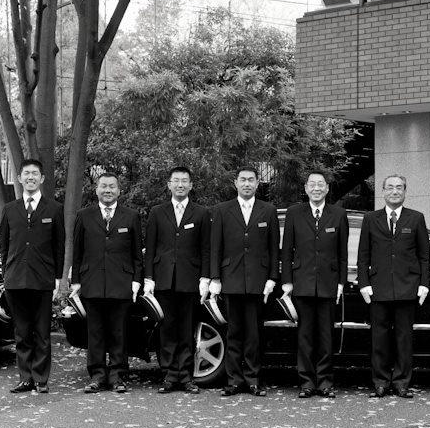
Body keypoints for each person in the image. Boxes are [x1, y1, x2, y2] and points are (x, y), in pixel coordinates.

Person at [357, 175, 430, 399]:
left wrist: (424, 284)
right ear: (383, 191)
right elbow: (363, 255)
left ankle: (401, 382)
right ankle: (380, 382)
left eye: (399, 187)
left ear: (405, 191)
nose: (394, 191)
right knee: (379, 338)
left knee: (403, 339)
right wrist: (364, 284)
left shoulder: (416, 218)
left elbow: (424, 256)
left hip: (407, 288)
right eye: (390, 187)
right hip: (378, 288)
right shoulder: (371, 218)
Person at [209, 167, 279, 397]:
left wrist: (272, 278)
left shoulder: (268, 210)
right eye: (243, 180)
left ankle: (252, 379)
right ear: (235, 183)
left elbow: (273, 248)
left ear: (257, 183)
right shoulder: (221, 210)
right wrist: (215, 277)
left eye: (251, 180)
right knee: (233, 333)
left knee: (254, 334)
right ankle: (233, 380)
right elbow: (215, 246)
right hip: (231, 279)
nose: (247, 184)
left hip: (258, 281)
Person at [71, 172, 143, 394]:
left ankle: (117, 376)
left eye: (112, 186)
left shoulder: (131, 216)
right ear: (97, 190)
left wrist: (136, 281)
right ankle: (97, 376)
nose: (108, 190)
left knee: (119, 332)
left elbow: (136, 254)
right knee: (95, 333)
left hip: (121, 283)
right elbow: (77, 251)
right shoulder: (84, 216)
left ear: (119, 190)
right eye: (104, 186)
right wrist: (76, 282)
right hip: (91, 282)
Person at [281, 170, 349, 399]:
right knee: (305, 337)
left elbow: (342, 253)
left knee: (326, 337)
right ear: (306, 188)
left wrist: (341, 282)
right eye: (312, 184)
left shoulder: (338, 214)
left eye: (321, 184)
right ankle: (307, 383)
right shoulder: (294, 213)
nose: (316, 188)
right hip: (302, 284)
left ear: (327, 189)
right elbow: (286, 250)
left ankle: (325, 382)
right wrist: (287, 281)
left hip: (329, 285)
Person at [0, 159, 64, 394]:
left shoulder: (54, 209)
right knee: (22, 333)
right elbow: (4, 246)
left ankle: (41, 379)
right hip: (15, 279)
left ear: (42, 178)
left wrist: (58, 278)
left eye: (35, 173)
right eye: (26, 173)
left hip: (43, 279)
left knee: (42, 332)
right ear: (19, 178)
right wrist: (6, 274)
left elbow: (59, 246)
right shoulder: (9, 209)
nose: (30, 177)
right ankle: (25, 378)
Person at [144, 167, 211, 395]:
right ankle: (169, 375)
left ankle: (186, 376)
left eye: (184, 181)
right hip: (163, 280)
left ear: (191, 185)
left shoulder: (201, 213)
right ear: (169, 184)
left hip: (190, 281)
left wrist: (205, 278)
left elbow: (206, 248)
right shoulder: (157, 212)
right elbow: (150, 247)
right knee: (167, 330)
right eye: (176, 181)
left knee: (187, 330)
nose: (180, 185)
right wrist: (148, 277)